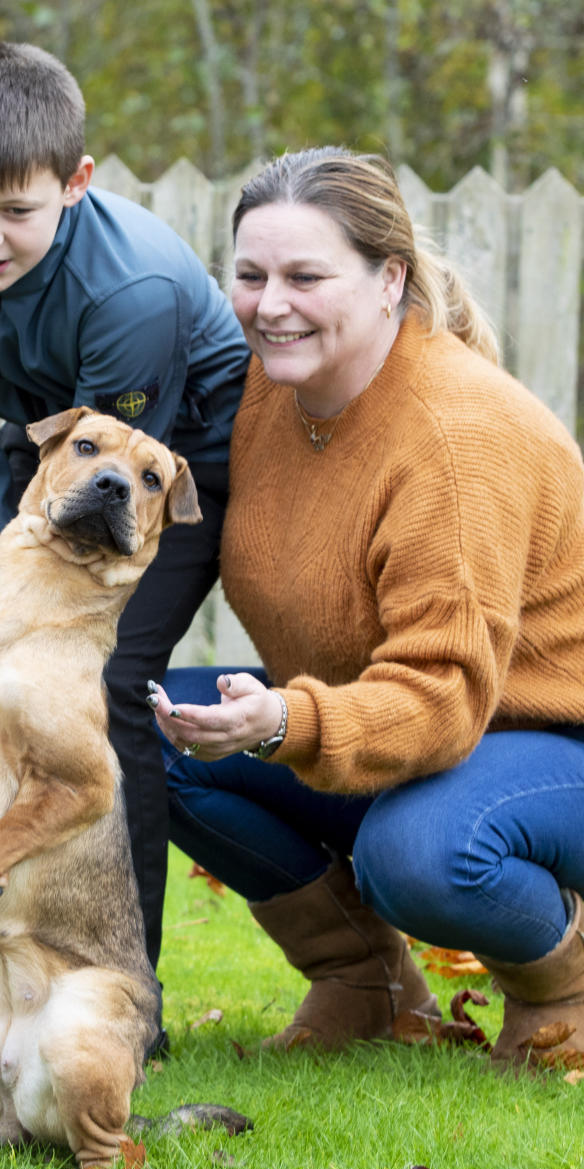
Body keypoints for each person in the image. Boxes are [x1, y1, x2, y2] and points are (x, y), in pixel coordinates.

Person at [146, 146, 584, 1066]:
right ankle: (367, 984)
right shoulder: (273, 388)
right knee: (147, 735)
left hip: (547, 748)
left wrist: (284, 721)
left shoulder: (454, 441)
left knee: (422, 851)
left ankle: (566, 988)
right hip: (404, 731)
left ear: (389, 280)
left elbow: (440, 698)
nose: (272, 304)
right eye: (253, 275)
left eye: (307, 276)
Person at [0, 41, 249, 984]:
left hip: (175, 451)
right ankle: (12, 948)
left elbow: (116, 484)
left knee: (106, 684)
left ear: (76, 182)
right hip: (47, 432)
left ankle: (120, 991)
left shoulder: (131, 292)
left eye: (18, 211)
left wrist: (24, 591)